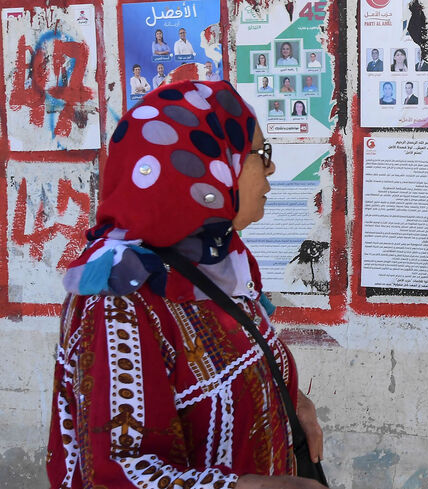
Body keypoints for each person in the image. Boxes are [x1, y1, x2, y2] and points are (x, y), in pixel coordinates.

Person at [47, 80, 326, 489]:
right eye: (261, 155)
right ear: (205, 162)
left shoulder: (215, 262)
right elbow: (119, 472)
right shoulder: (120, 298)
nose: (270, 169)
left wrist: (289, 401)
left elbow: (231, 366)